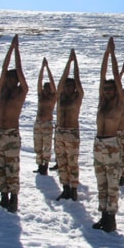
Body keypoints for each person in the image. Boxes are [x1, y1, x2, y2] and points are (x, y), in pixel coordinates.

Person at [0, 35, 28, 212]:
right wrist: (10, 49)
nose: (8, 80)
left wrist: (17, 51)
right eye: (7, 78)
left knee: (12, 167)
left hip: (12, 133)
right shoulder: (3, 92)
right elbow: (5, 68)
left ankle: (13, 197)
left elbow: (18, 71)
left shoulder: (20, 93)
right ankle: (3, 195)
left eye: (11, 78)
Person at [92, 38, 124, 233]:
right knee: (101, 181)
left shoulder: (118, 103)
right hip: (98, 144)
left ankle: (111, 218)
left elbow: (117, 81)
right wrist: (105, 53)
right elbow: (102, 75)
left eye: (110, 89)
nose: (107, 91)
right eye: (106, 89)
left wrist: (113, 56)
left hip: (112, 143)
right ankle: (103, 214)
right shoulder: (102, 102)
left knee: (112, 184)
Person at [55, 49, 83, 201]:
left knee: (72, 162)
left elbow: (78, 81)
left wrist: (75, 63)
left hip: (72, 132)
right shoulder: (61, 98)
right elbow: (60, 82)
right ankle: (65, 187)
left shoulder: (76, 98)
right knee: (62, 161)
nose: (67, 88)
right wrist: (68, 62)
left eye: (69, 86)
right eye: (66, 86)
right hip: (59, 131)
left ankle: (73, 189)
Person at [32, 58, 57, 176]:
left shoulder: (53, 98)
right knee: (38, 145)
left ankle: (45, 165)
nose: (46, 89)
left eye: (48, 88)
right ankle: (39, 164)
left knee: (46, 146)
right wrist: (42, 68)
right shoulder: (41, 96)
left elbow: (53, 84)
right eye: (45, 88)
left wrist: (48, 68)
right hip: (38, 123)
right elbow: (39, 81)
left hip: (47, 123)